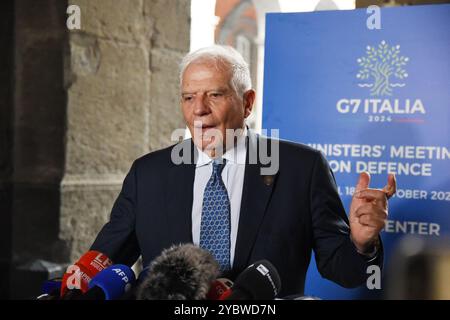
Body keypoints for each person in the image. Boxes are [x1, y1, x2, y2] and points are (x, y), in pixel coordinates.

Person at [90, 45, 396, 297]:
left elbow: (345, 272)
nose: (199, 109)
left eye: (214, 94)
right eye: (188, 97)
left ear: (247, 103)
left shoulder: (302, 169)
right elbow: (103, 264)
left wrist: (360, 243)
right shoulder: (148, 175)